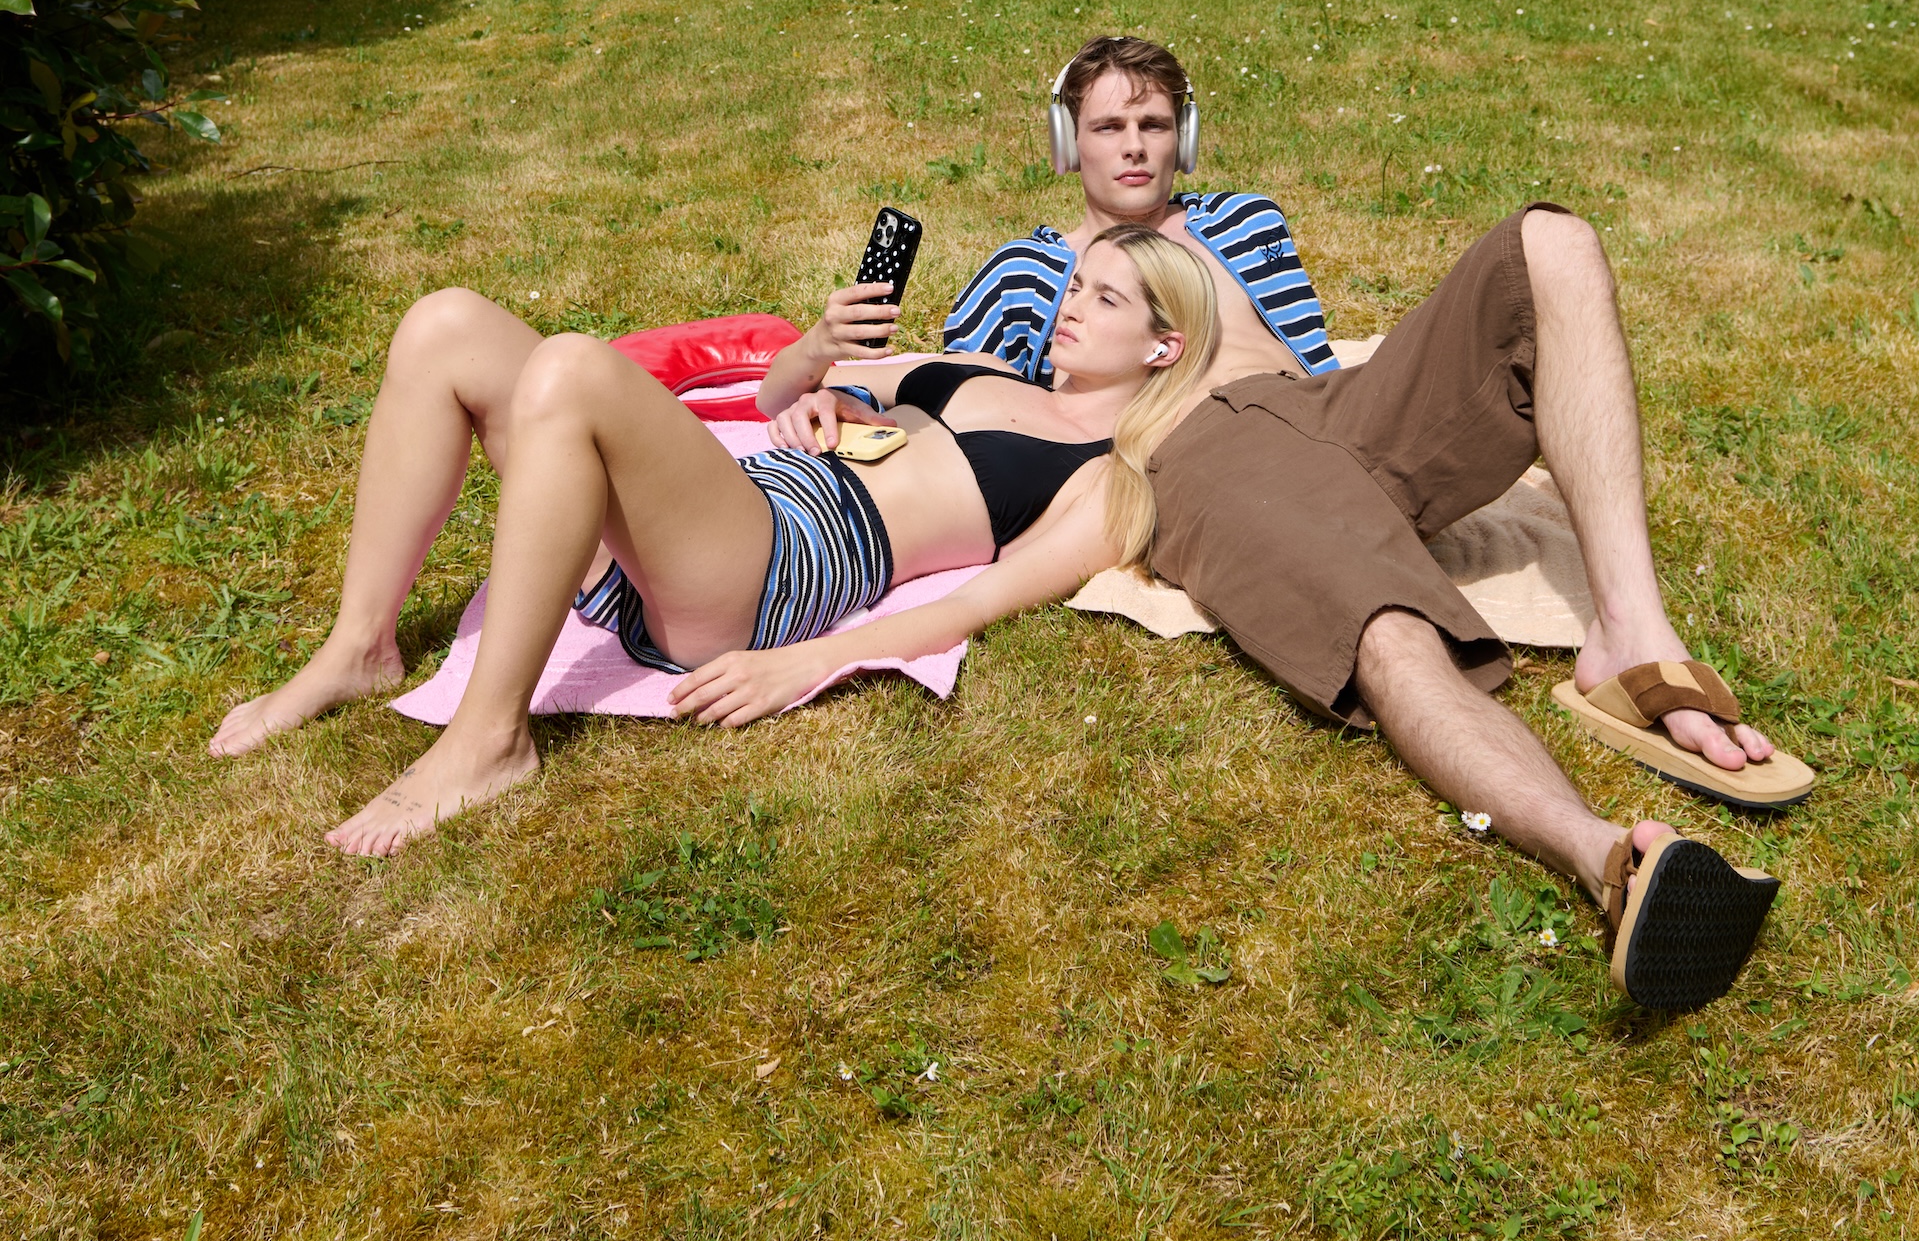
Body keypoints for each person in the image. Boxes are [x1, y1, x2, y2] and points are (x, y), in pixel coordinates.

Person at [927, 35, 1809, 1013]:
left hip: (1334, 405)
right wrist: (837, 389)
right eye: (1106, 126)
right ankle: (1610, 860)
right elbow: (965, 400)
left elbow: (1311, 352)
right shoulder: (1030, 268)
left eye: (1154, 123)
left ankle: (1628, 630)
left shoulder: (1241, 220)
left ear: (1186, 135)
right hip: (1209, 454)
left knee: (1551, 241)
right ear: (1067, 144)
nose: (1133, 145)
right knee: (1386, 632)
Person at [209, 228, 1220, 857]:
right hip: (715, 515)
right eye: (1076, 284)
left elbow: (975, 602)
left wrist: (807, 663)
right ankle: (360, 646)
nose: (1070, 306)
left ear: (1163, 345)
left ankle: (490, 739)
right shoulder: (973, 366)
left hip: (770, 569)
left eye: (1106, 299)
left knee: (571, 368)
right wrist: (817, 370)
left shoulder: (1102, 473)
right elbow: (778, 391)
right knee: (444, 324)